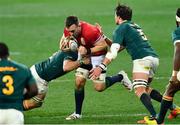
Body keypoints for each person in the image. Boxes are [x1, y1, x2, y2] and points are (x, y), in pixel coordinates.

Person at [90, 3, 180, 123]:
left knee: (139, 90)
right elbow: (119, 46)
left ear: (118, 16)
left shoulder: (121, 28)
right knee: (146, 88)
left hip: (142, 60)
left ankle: (156, 119)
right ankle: (174, 109)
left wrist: (101, 67)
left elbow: (114, 51)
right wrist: (103, 36)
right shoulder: (134, 26)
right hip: (153, 59)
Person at [62, 16, 132, 120]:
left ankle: (120, 77)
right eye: (69, 31)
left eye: (73, 31)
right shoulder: (68, 30)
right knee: (79, 82)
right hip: (85, 54)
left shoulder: (90, 31)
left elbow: (104, 46)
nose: (71, 34)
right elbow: (63, 41)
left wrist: (88, 51)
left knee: (99, 88)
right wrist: (65, 45)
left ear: (79, 26)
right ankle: (77, 113)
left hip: (98, 55)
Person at [23, 45, 90, 110]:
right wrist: (82, 61)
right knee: (32, 102)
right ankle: (14, 110)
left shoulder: (67, 49)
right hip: (40, 77)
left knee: (36, 103)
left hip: (37, 71)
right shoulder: (72, 53)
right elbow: (66, 67)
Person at [144, 8, 180, 125]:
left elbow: (179, 50)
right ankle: (172, 111)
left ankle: (159, 121)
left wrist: (174, 74)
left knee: (170, 90)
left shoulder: (178, 31)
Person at [0, 42, 38, 124]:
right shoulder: (23, 69)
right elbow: (34, 90)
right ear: (8, 54)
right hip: (15, 113)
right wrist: (21, 98)